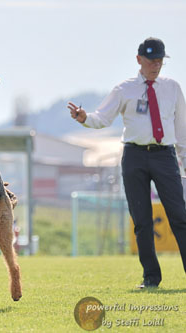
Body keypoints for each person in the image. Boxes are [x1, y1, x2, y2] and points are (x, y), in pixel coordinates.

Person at [67, 37, 186, 289]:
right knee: (141, 220)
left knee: (179, 216)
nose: (156, 65)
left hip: (165, 156)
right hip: (134, 157)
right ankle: (151, 278)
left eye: (160, 61)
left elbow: (182, 130)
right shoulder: (124, 89)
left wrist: (184, 161)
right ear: (138, 60)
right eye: (152, 60)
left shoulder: (172, 88)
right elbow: (103, 117)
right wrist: (84, 117)